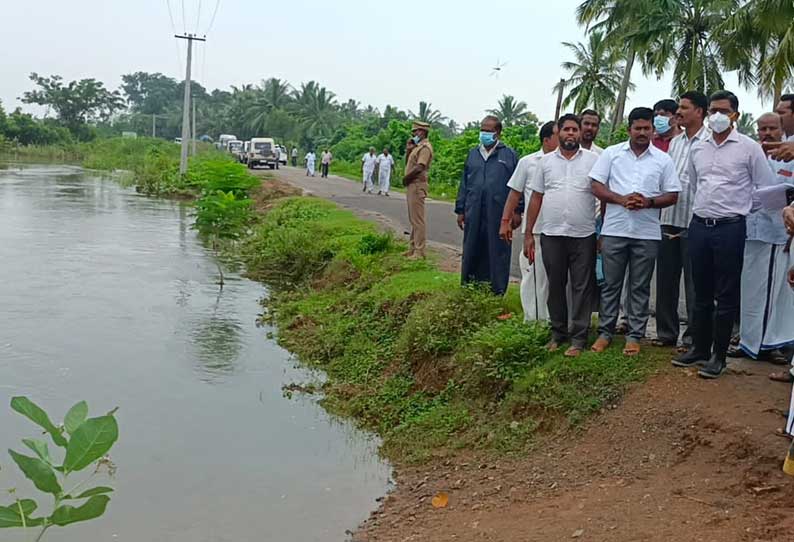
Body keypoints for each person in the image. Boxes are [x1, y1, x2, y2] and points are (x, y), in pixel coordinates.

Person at [672, 90, 777, 379]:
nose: (717, 116)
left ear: (735, 115)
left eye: (723, 111)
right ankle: (700, 349)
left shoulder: (748, 147)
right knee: (700, 293)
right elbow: (696, 184)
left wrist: (740, 209)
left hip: (731, 227)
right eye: (713, 110)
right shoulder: (699, 147)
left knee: (727, 294)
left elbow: (764, 188)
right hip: (699, 226)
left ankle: (719, 356)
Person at [589, 107, 682, 356]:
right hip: (615, 229)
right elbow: (596, 185)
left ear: (652, 130)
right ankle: (605, 333)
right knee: (610, 284)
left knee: (639, 286)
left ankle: (634, 335)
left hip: (647, 232)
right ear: (629, 129)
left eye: (647, 128)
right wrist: (621, 199)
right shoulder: (612, 154)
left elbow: (673, 194)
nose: (642, 132)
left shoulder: (663, 159)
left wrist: (648, 202)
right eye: (638, 128)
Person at [523, 114, 600, 356]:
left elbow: (603, 194)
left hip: (583, 234)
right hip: (552, 233)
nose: (570, 134)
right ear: (558, 133)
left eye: (574, 129)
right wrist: (527, 233)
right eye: (566, 129)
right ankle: (558, 334)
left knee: (581, 286)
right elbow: (536, 197)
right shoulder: (545, 163)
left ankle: (578, 338)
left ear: (579, 133)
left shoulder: (593, 161)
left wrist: (603, 230)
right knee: (555, 285)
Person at [653, 90, 709, 349]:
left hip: (695, 220)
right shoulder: (675, 143)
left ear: (699, 111)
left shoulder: (710, 141)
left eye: (684, 108)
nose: (678, 113)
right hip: (668, 219)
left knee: (696, 284)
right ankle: (666, 333)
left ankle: (693, 338)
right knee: (666, 279)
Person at [736, 113, 794, 361]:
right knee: (750, 290)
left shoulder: (790, 158)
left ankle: (771, 344)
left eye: (772, 128)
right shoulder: (750, 153)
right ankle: (748, 342)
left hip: (778, 234)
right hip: (751, 231)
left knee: (775, 292)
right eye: (762, 129)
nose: (767, 133)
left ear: (782, 129)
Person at [499, 121, 559, 321]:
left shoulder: (569, 162)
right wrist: (505, 221)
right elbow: (515, 193)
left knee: (554, 279)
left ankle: (552, 320)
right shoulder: (529, 162)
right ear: (547, 139)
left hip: (561, 230)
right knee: (533, 276)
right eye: (559, 135)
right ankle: (533, 321)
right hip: (536, 230)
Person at [456, 115, 518, 295]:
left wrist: (517, 210)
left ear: (498, 133)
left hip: (499, 212)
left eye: (488, 130)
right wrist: (461, 209)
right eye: (482, 129)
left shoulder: (509, 155)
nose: (484, 133)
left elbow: (517, 186)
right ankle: (469, 286)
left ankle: (497, 290)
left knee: (498, 250)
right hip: (473, 210)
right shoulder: (473, 154)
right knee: (472, 248)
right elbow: (464, 184)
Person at [403, 121, 433, 259]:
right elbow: (409, 163)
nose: (413, 134)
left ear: (422, 132)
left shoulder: (425, 148)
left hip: (416, 184)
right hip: (412, 184)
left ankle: (419, 251)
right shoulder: (417, 147)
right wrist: (409, 149)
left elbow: (420, 166)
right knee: (413, 218)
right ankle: (413, 248)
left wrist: (406, 178)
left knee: (418, 219)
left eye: (415, 132)